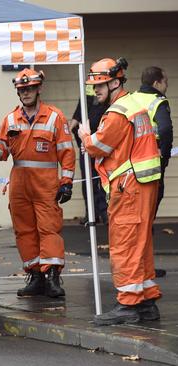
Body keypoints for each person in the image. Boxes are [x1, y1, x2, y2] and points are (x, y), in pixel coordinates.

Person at [78, 58, 162, 326]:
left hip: (128, 187)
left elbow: (98, 146)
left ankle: (128, 304)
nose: (95, 91)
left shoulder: (117, 112)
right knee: (140, 244)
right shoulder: (136, 105)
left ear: (115, 82)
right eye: (93, 86)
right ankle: (146, 301)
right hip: (142, 184)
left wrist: (84, 137)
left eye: (100, 85)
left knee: (124, 244)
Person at [0, 69, 75, 298]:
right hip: (20, 183)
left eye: (29, 88)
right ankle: (35, 276)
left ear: (38, 88)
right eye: (22, 90)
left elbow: (67, 152)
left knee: (48, 228)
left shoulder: (54, 116)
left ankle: (52, 276)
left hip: (46, 184)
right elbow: (3, 152)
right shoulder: (10, 119)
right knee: (24, 231)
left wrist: (67, 181)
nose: (26, 93)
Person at [132, 66, 172, 279]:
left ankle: (139, 266)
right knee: (147, 221)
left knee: (137, 221)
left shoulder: (131, 99)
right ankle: (145, 267)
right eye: (165, 83)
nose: (166, 87)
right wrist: (163, 158)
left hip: (130, 170)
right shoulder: (158, 101)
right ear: (157, 83)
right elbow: (164, 130)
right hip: (152, 170)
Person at [68, 85, 109, 225]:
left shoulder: (105, 101)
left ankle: (105, 213)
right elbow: (78, 113)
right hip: (86, 145)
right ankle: (92, 214)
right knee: (89, 181)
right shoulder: (87, 91)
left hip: (101, 145)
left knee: (102, 179)